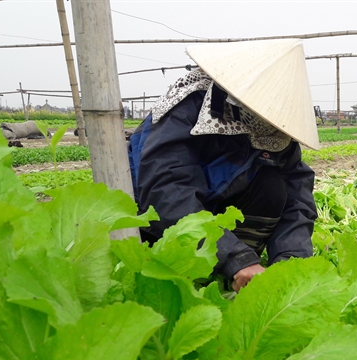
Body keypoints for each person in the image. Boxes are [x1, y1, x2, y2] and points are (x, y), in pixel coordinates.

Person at [128, 39, 320, 292]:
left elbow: (298, 202)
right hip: (154, 220)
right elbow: (168, 189)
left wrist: (291, 263)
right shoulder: (188, 110)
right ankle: (211, 264)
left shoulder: (272, 134)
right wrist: (234, 258)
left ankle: (238, 268)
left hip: (213, 212)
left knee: (273, 185)